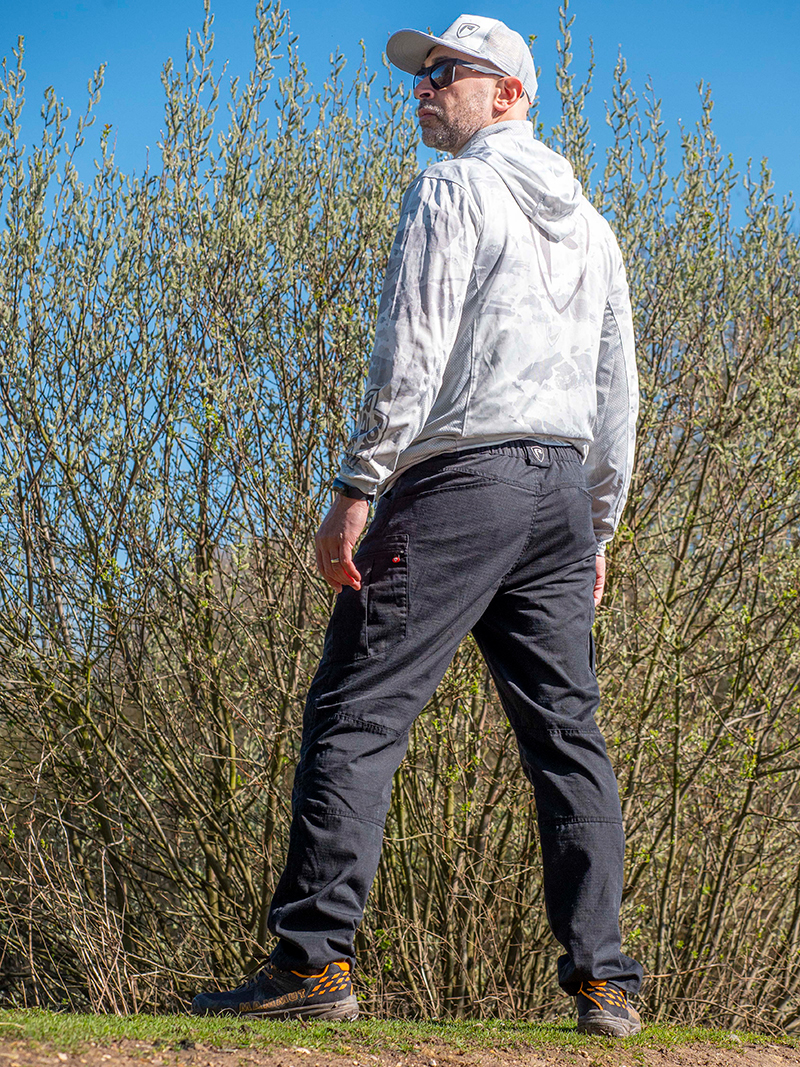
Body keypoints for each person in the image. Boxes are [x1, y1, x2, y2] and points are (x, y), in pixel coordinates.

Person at [192, 12, 643, 1037]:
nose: (424, 87)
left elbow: (414, 343)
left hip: (458, 484)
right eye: (423, 72)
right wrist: (597, 525)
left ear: (509, 94)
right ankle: (605, 979)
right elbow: (614, 393)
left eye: (447, 73)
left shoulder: (451, 189)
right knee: (567, 736)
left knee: (356, 712)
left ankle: (311, 964)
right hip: (558, 496)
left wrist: (358, 483)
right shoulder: (595, 229)